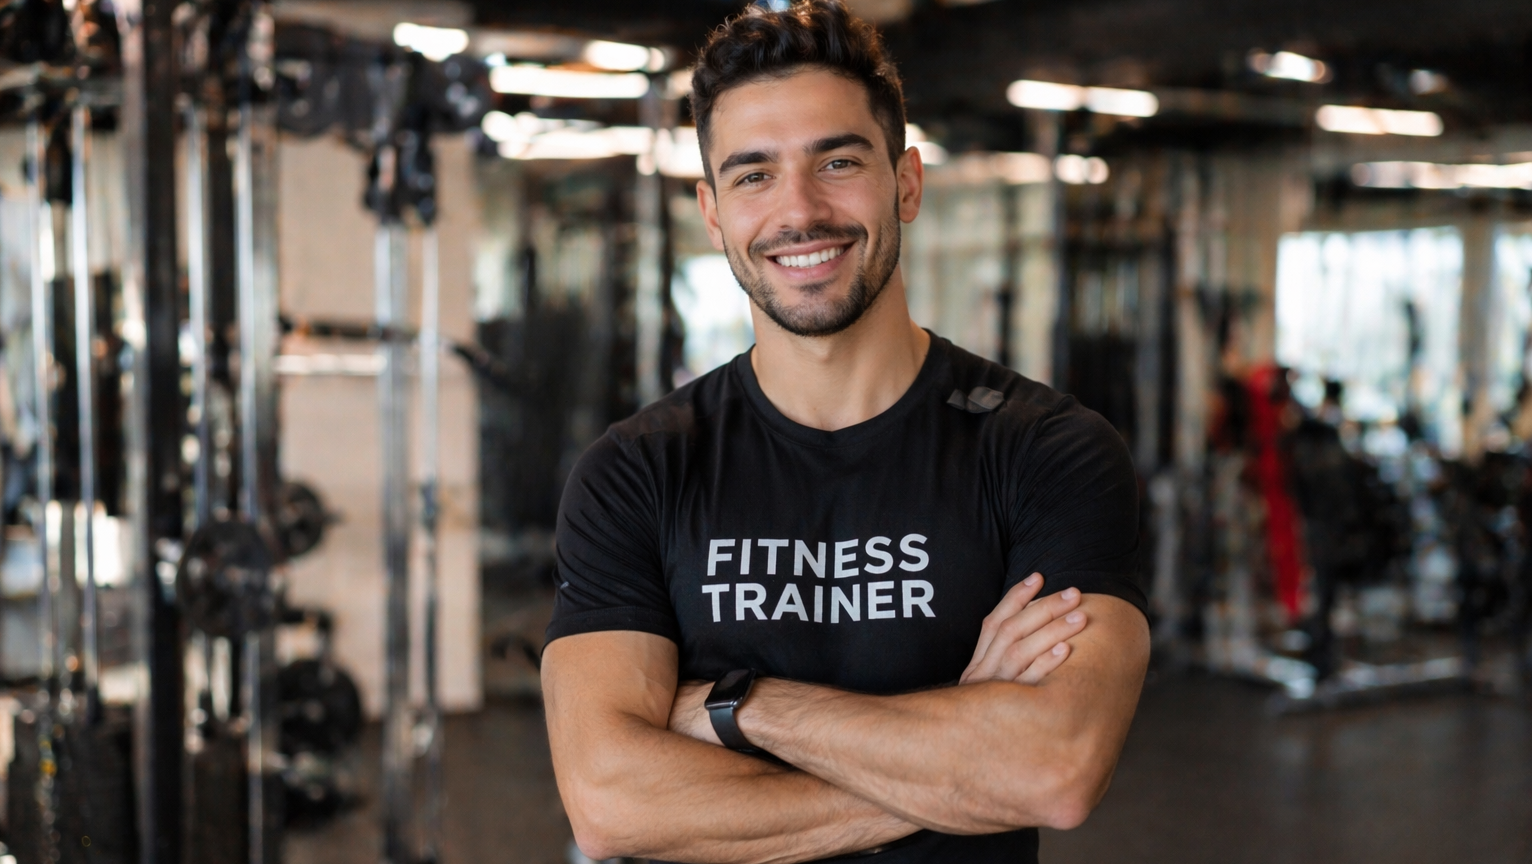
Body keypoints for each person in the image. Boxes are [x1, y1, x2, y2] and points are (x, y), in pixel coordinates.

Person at [541, 2, 1149, 862]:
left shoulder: (1046, 452)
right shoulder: (636, 471)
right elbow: (608, 803)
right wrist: (962, 759)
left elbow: (1053, 768)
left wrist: (735, 707)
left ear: (905, 181)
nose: (800, 211)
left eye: (837, 160)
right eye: (753, 175)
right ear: (713, 215)